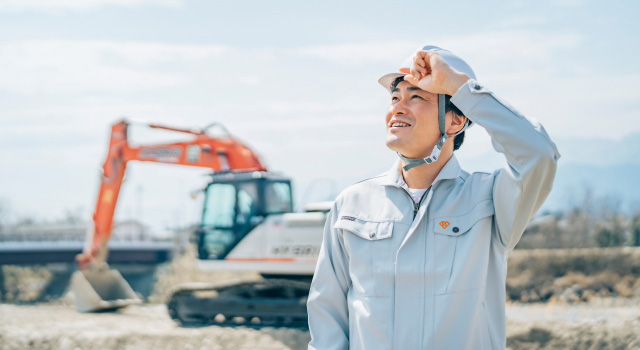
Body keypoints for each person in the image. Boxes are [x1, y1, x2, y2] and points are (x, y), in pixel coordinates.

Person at [306, 45, 560, 350]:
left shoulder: (488, 199)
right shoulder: (352, 205)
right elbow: (328, 317)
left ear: (455, 121)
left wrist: (460, 88)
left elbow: (538, 154)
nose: (398, 107)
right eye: (395, 97)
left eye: (417, 97)